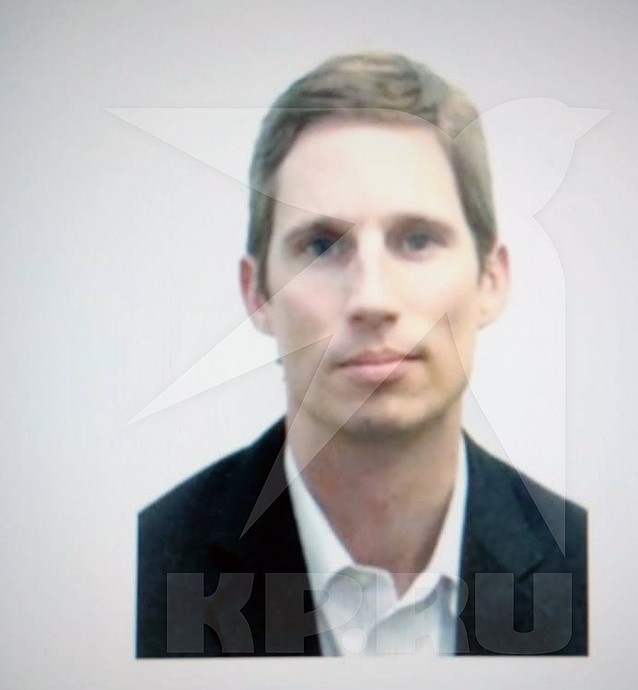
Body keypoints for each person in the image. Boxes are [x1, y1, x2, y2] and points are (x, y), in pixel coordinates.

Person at [136, 51, 587, 657]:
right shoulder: (137, 581)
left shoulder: (596, 575)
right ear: (258, 294)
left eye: (417, 239)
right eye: (322, 246)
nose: (372, 299)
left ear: (491, 280)